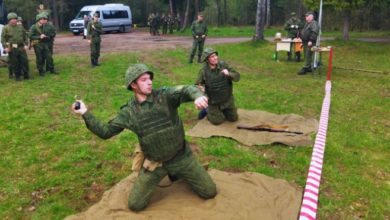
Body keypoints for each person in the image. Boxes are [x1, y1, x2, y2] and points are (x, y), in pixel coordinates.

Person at [72, 64, 217, 211]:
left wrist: (197, 96)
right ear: (133, 85)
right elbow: (105, 132)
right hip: (156, 163)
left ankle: (179, 172)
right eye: (144, 80)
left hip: (182, 157)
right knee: (135, 205)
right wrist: (85, 113)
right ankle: (172, 173)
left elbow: (186, 89)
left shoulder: (165, 96)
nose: (150, 82)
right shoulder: (129, 112)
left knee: (209, 192)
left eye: (150, 79)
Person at [195, 48, 240, 125]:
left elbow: (237, 77)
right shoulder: (203, 71)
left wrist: (229, 74)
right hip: (213, 101)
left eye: (215, 55)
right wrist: (201, 89)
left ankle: (222, 110)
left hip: (227, 99)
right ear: (207, 59)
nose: (215, 58)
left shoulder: (224, 65)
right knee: (217, 121)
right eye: (212, 56)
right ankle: (207, 110)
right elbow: (198, 84)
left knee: (233, 118)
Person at [1, 12, 30, 81]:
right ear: (9, 20)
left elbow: (25, 36)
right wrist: (5, 47)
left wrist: (26, 44)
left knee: (24, 61)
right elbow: (3, 39)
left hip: (21, 47)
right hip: (12, 48)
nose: (14, 20)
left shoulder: (20, 26)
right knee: (15, 62)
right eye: (12, 19)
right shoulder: (6, 28)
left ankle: (26, 75)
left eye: (15, 19)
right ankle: (17, 76)